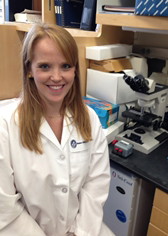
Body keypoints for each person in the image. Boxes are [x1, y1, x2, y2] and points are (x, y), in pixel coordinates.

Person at [0, 23, 115, 236]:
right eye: (44, 66)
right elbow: (4, 206)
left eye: (65, 66)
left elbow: (96, 184)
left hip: (82, 229)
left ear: (75, 70)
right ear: (29, 70)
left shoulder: (89, 119)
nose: (56, 77)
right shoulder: (5, 125)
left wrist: (80, 233)